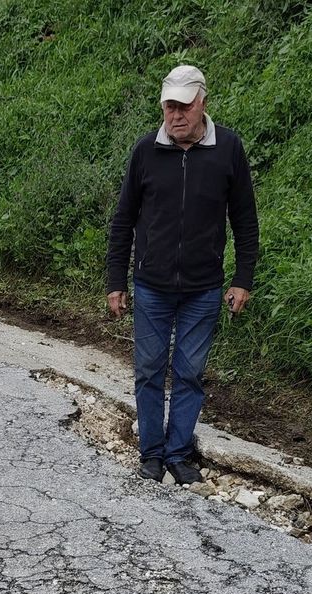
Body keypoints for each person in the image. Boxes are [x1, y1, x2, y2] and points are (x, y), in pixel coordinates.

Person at [105, 64, 259, 484]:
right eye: (169, 106)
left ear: (202, 103)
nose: (175, 116)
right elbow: (124, 220)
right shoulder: (146, 151)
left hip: (203, 288)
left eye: (184, 107)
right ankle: (152, 454)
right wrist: (115, 281)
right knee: (150, 369)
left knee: (190, 372)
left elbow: (245, 219)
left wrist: (242, 278)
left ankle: (178, 453)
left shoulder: (227, 148)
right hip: (151, 285)